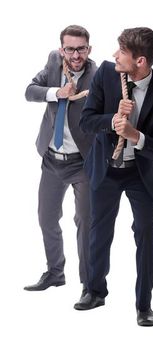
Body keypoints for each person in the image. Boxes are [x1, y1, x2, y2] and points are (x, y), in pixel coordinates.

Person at [74, 27, 153, 327]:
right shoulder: (107, 74)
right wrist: (112, 119)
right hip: (106, 169)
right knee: (99, 231)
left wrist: (136, 136)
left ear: (141, 61)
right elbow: (86, 121)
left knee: (146, 233)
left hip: (141, 174)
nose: (114, 55)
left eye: (121, 51)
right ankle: (94, 291)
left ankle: (144, 305)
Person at [24, 25, 96, 292]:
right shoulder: (53, 64)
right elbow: (30, 91)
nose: (75, 54)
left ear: (89, 49)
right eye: (70, 48)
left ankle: (89, 284)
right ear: (61, 49)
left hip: (82, 162)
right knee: (46, 217)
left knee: (85, 222)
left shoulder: (98, 75)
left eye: (81, 49)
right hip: (52, 159)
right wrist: (56, 92)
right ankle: (55, 272)